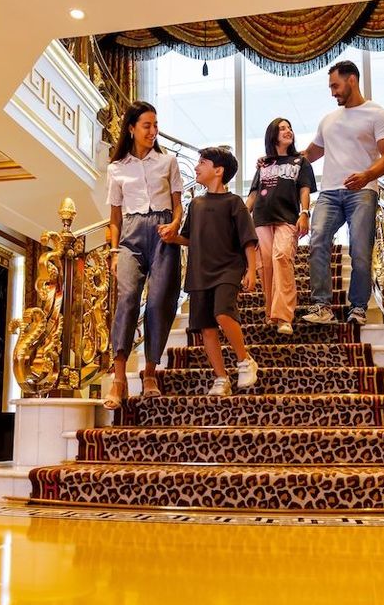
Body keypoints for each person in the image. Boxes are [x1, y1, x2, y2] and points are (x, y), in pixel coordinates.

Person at [302, 60, 384, 326]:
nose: (332, 92)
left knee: (360, 250)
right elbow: (310, 155)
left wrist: (366, 175)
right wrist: (277, 161)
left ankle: (357, 307)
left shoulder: (377, 114)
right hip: (330, 193)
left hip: (362, 191)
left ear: (352, 80)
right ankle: (322, 306)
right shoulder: (329, 120)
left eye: (335, 85)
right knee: (317, 239)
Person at [104, 101, 183, 409]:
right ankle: (119, 378)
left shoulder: (168, 162)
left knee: (160, 302)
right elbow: (114, 216)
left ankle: (150, 373)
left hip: (164, 233)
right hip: (130, 236)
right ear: (132, 129)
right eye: (147, 125)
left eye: (155, 125)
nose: (153, 131)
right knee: (126, 298)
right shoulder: (116, 168)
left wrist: (175, 224)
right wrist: (113, 250)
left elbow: (178, 204)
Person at [166, 146, 259, 396]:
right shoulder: (195, 204)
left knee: (222, 314)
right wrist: (172, 237)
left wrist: (252, 269)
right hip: (199, 272)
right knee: (206, 327)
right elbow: (188, 238)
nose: (196, 167)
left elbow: (248, 239)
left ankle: (244, 360)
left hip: (228, 269)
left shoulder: (234, 203)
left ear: (218, 171)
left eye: (203, 163)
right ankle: (221, 378)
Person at [246, 118, 316, 335]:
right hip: (261, 218)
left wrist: (304, 213)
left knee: (281, 257)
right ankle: (270, 313)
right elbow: (254, 194)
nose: (289, 131)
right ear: (273, 135)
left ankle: (284, 316)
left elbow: (304, 189)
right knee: (266, 264)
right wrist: (239, 217)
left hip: (287, 218)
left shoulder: (300, 162)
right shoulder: (264, 164)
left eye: (290, 128)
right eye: (282, 128)